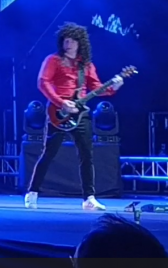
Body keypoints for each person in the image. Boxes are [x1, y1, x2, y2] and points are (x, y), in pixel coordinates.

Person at [26, 22, 123, 211]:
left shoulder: (85, 65)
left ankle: (89, 198)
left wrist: (113, 87)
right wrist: (61, 102)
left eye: (72, 41)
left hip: (81, 114)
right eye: (65, 40)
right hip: (58, 112)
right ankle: (33, 192)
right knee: (49, 153)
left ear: (80, 43)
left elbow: (96, 88)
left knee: (87, 155)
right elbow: (43, 82)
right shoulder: (53, 60)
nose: (68, 44)